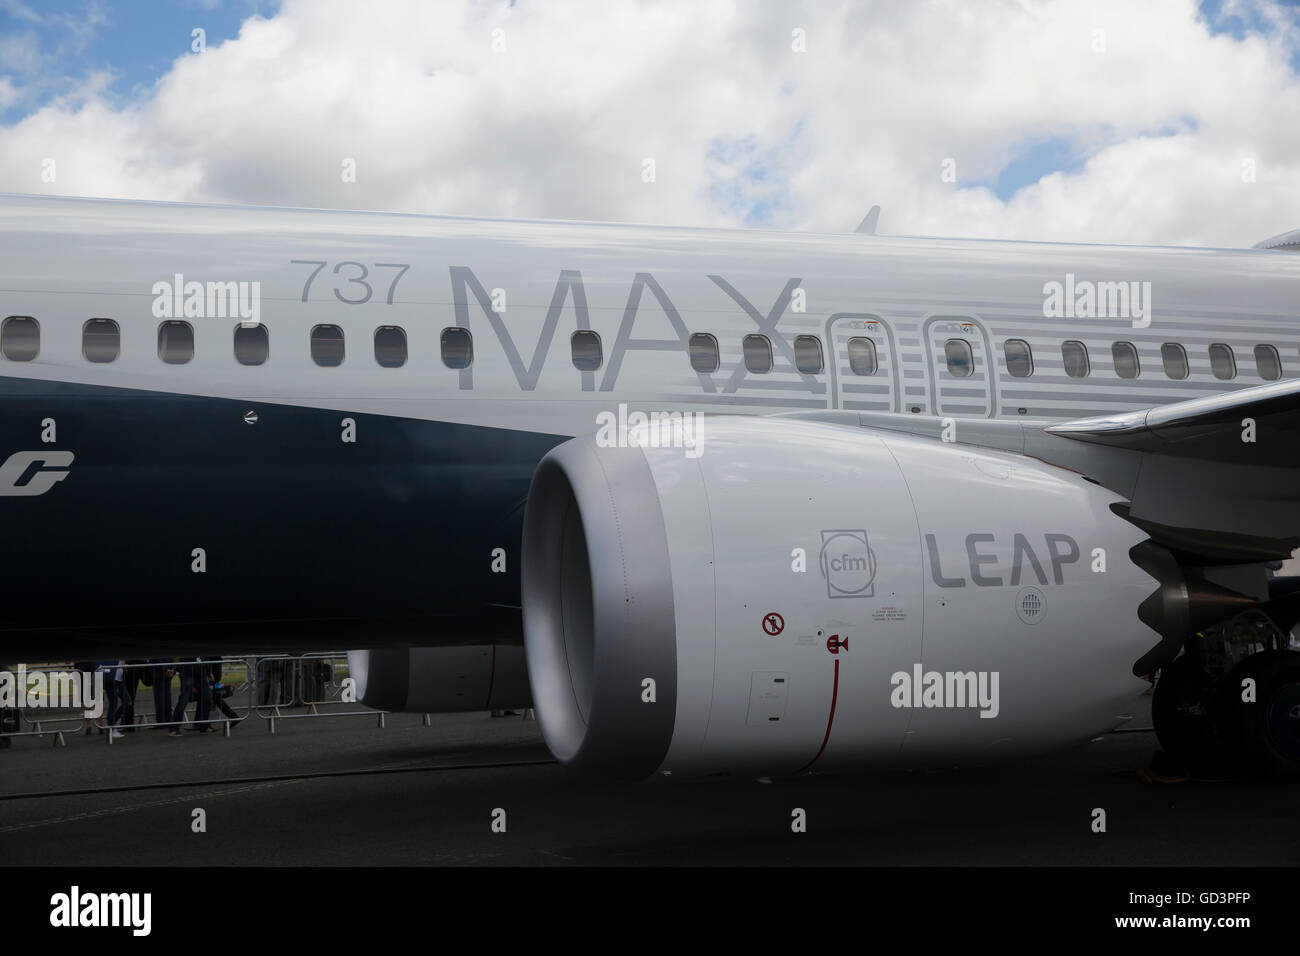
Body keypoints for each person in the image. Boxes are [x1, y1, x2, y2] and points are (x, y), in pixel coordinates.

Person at [170, 657, 213, 735]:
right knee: (184, 700)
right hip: (187, 671)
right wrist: (174, 669)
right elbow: (178, 656)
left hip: (201, 672)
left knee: (207, 698)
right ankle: (174, 728)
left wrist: (209, 672)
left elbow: (206, 656)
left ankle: (204, 725)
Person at [97, 660, 130, 739]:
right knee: (113, 704)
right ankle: (111, 727)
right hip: (112, 681)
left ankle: (111, 724)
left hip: (118, 681)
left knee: (127, 702)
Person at [148, 659, 174, 730]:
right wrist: (170, 670)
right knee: (166, 698)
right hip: (165, 672)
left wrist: (167, 670)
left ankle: (161, 721)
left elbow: (156, 659)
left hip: (159, 673)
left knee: (160, 699)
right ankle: (168, 720)